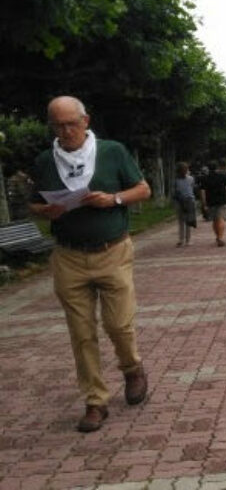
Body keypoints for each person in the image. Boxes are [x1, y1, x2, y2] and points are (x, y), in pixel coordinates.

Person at [29, 96, 151, 432]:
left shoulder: (112, 151)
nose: (65, 130)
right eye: (58, 125)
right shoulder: (44, 160)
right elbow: (34, 204)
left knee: (118, 325)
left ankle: (132, 368)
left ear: (86, 120)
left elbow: (143, 189)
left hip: (112, 250)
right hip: (68, 256)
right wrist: (45, 211)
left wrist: (112, 199)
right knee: (81, 334)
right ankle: (95, 401)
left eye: (71, 123)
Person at [199, 160, 226, 246]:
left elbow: (202, 191)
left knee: (214, 220)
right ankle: (220, 237)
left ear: (208, 168)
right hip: (221, 200)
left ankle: (217, 236)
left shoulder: (205, 178)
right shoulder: (222, 176)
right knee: (220, 219)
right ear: (216, 167)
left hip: (210, 201)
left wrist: (204, 203)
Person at [172, 162, 196, 247]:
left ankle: (184, 240)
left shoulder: (178, 180)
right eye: (184, 169)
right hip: (184, 201)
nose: (185, 171)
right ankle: (183, 240)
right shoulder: (189, 179)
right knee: (183, 221)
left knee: (186, 222)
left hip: (186, 201)